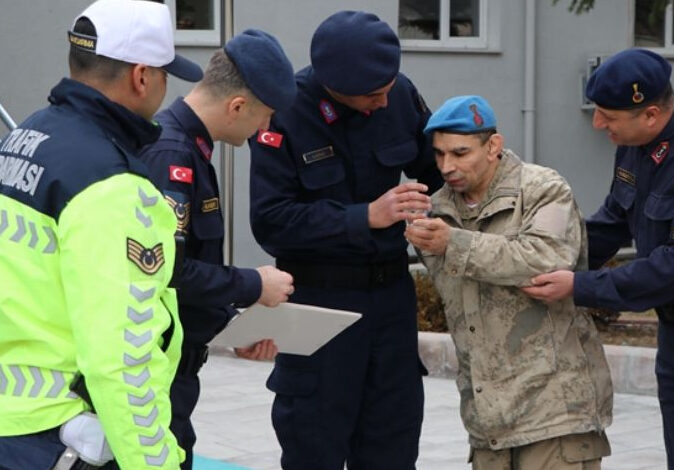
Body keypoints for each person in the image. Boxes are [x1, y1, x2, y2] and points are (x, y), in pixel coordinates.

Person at [0, 0, 203, 469]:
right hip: (62, 437)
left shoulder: (25, 138)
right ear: (141, 77)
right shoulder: (112, 184)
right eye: (165, 73)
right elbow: (122, 360)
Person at [248, 10, 443, 470]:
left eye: (387, 90)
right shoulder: (284, 110)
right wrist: (365, 217)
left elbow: (436, 169)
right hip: (320, 302)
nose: (382, 102)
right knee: (314, 446)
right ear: (334, 86)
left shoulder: (398, 94)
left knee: (393, 446)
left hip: (391, 301)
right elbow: (271, 221)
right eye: (371, 97)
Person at [522, 48, 674, 470]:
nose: (598, 125)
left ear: (650, 114)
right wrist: (546, 257)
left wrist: (579, 287)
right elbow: (613, 221)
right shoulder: (635, 145)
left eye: (608, 117)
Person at [405, 95, 613, 470]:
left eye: (460, 152)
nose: (447, 166)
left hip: (555, 414)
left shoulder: (542, 189)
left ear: (493, 146)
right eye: (439, 155)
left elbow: (544, 259)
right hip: (488, 418)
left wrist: (454, 242)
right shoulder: (438, 210)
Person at [138, 29, 296, 469]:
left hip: (179, 365)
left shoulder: (188, 150)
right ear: (237, 106)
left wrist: (230, 328)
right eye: (264, 116)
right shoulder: (172, 156)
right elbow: (164, 271)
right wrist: (253, 285)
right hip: (159, 370)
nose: (265, 129)